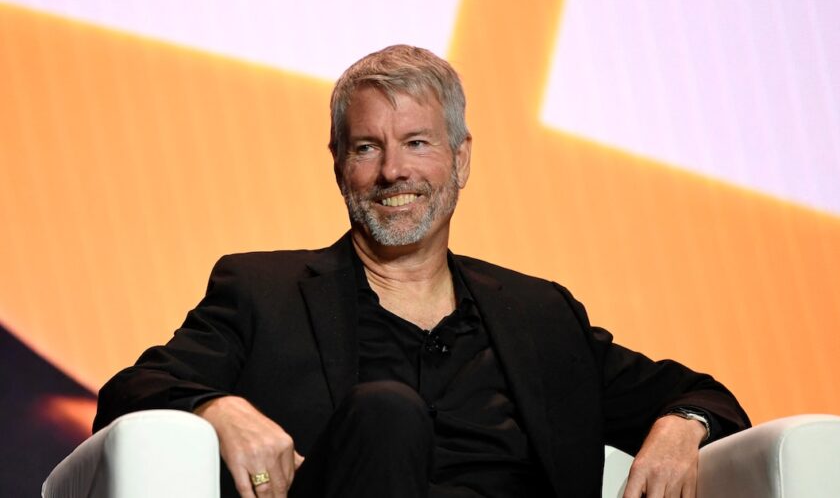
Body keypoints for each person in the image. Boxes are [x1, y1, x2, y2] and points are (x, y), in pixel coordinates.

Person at [93, 45, 750, 498]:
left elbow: (705, 394)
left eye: (417, 143)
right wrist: (218, 405)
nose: (393, 172)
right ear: (338, 164)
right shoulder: (263, 294)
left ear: (460, 160)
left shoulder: (540, 316)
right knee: (386, 414)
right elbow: (131, 390)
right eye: (367, 148)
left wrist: (682, 422)